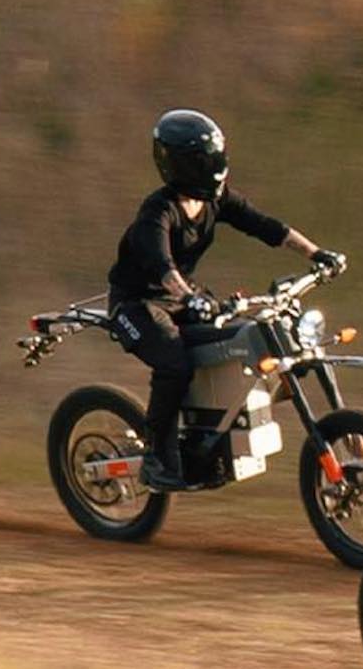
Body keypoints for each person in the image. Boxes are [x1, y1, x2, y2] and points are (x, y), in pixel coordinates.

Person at [109, 109, 342, 490]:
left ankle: (210, 433)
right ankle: (155, 456)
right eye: (204, 161)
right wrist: (190, 297)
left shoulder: (217, 199)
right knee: (175, 363)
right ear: (180, 165)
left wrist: (316, 254)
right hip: (138, 305)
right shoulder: (157, 211)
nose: (214, 167)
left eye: (216, 157)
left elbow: (266, 226)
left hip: (183, 298)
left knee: (246, 339)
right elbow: (162, 265)